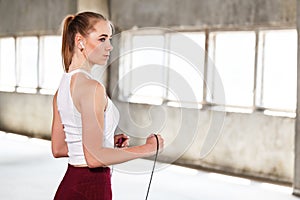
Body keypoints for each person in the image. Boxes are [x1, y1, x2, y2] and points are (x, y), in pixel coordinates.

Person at [51, 11, 164, 200]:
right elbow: (94, 159)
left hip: (70, 186)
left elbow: (60, 148)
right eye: (102, 39)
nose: (110, 47)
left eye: (110, 39)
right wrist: (148, 148)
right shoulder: (92, 88)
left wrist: (107, 143)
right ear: (80, 41)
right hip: (90, 188)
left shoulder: (61, 89)